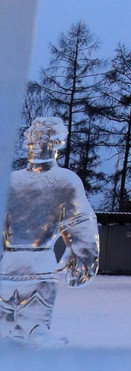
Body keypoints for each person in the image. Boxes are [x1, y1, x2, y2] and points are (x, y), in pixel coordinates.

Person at [0, 117, 99, 344]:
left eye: (41, 136)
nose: (35, 141)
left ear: (55, 142)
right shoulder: (11, 180)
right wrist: (83, 257)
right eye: (33, 135)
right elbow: (81, 223)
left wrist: (81, 257)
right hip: (20, 268)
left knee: (29, 333)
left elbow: (80, 224)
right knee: (19, 337)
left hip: (33, 267)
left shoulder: (64, 181)